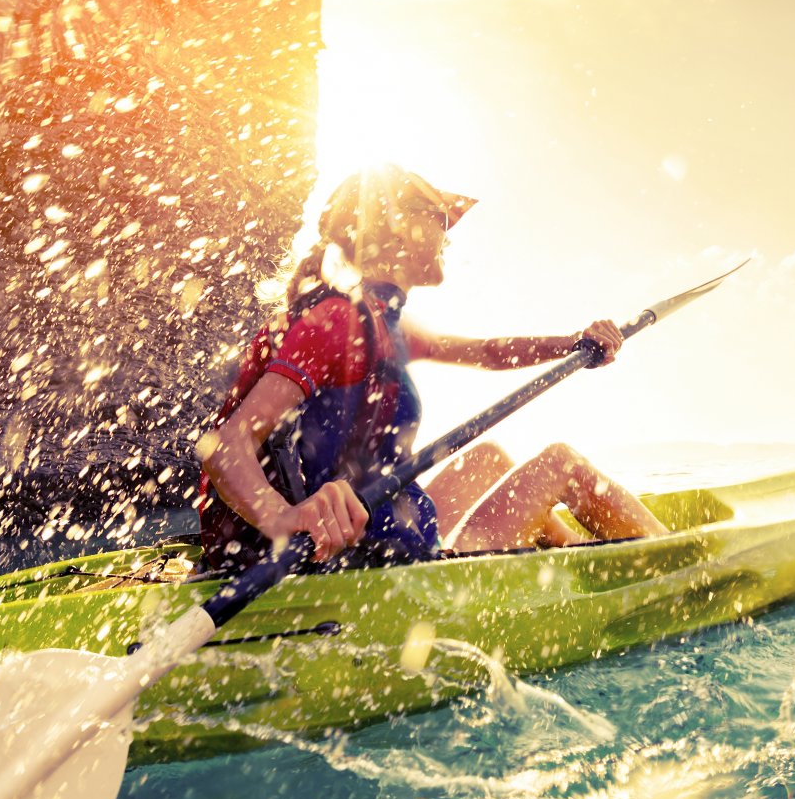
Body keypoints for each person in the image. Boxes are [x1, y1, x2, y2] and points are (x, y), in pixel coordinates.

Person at [195, 164, 668, 570]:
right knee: (563, 464)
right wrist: (282, 519)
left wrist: (575, 342)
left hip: (384, 536)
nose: (449, 236)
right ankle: (672, 572)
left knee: (491, 460)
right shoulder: (338, 322)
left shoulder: (383, 322)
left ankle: (584, 562)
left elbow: (488, 353)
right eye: (442, 219)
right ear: (401, 227)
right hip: (361, 562)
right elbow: (226, 446)